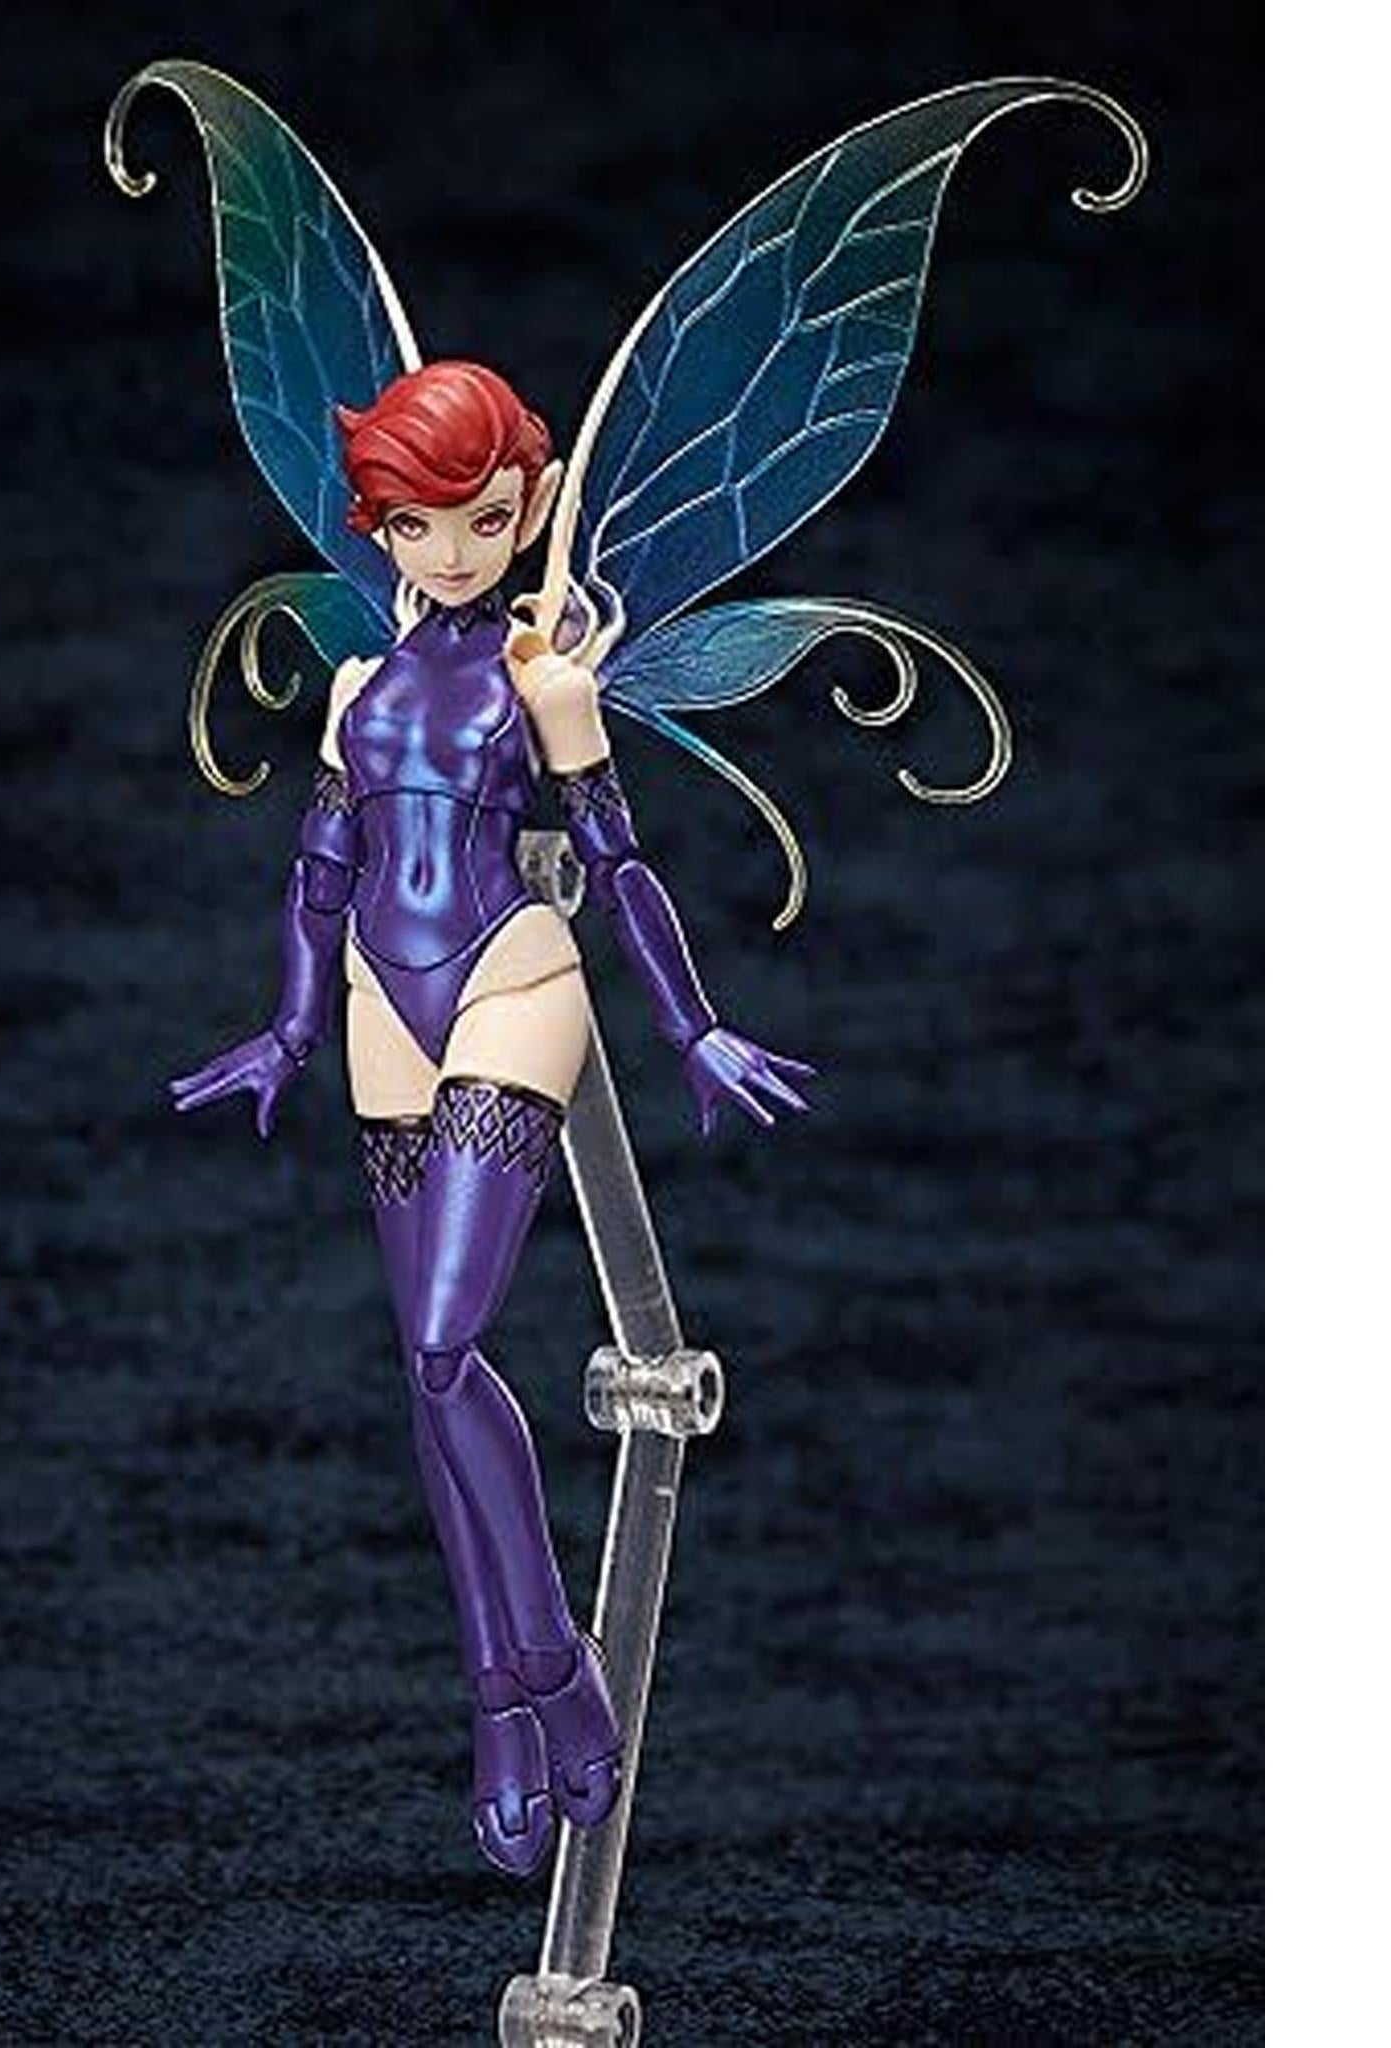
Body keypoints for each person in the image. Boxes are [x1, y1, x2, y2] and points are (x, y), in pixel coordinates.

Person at [169, 360, 814, 1874]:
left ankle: (544, 1667)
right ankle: (500, 1706)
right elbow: (319, 874)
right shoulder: (355, 692)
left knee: (452, 1345)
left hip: (510, 977)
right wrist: (288, 1025)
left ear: (531, 507)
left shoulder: (549, 686)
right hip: (377, 1001)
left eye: (480, 516)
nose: (450, 551)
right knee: (425, 1374)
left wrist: (692, 1024)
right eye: (415, 523)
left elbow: (620, 860)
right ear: (379, 528)